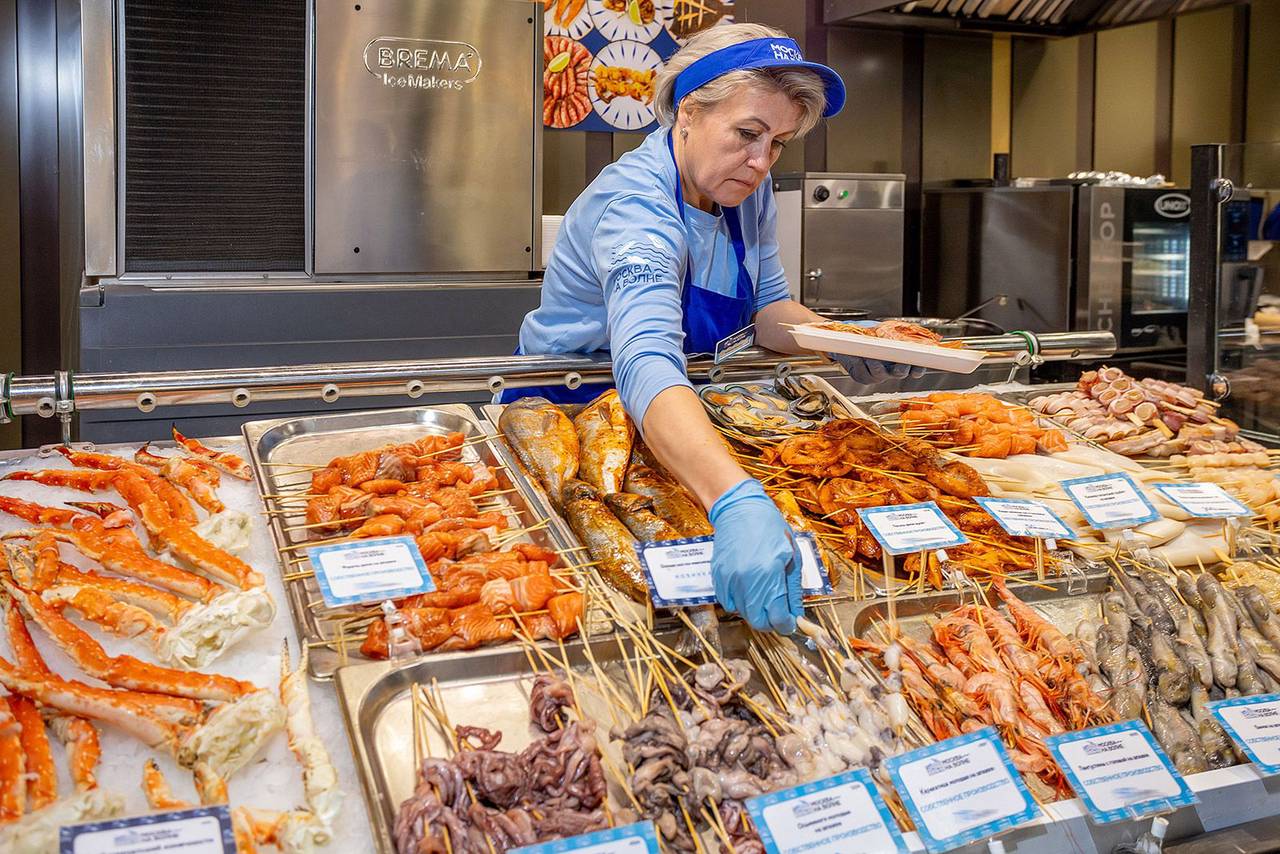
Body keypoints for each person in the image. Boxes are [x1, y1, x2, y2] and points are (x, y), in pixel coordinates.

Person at [513, 24, 915, 635]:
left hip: (677, 420)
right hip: (569, 421)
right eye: (747, 134)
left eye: (778, 144)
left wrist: (840, 339)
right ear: (686, 112)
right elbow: (646, 358)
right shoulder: (634, 208)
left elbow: (768, 309)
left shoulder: (745, 191)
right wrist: (734, 499)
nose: (761, 162)